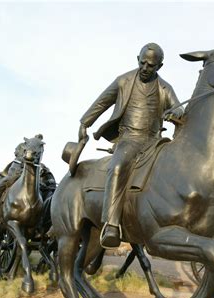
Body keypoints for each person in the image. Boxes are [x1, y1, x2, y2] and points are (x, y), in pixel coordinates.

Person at [78, 43, 183, 248]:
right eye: (142, 62)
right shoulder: (123, 81)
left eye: (151, 65)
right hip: (129, 138)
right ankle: (111, 223)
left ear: (159, 66)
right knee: (117, 168)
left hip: (154, 142)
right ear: (138, 59)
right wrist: (84, 123)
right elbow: (102, 102)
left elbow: (178, 108)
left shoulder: (165, 88)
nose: (145, 68)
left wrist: (176, 113)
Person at [0, 134, 44, 232]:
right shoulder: (22, 146)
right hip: (15, 173)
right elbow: (17, 154)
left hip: (29, 176)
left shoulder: (38, 149)